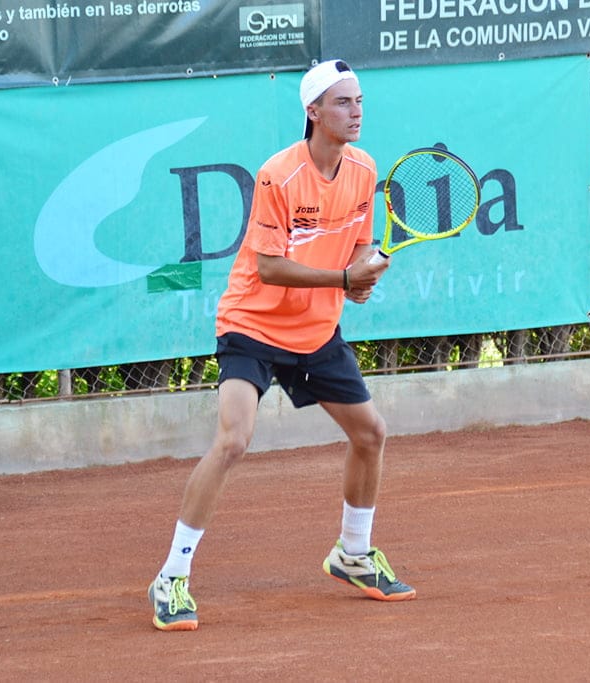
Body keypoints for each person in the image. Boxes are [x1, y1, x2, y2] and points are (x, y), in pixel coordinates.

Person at [148, 59, 416, 631]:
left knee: (370, 434)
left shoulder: (365, 170)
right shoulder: (279, 175)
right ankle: (171, 577)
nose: (357, 111)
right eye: (344, 103)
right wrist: (345, 281)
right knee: (233, 440)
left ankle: (354, 554)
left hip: (316, 331)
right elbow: (269, 267)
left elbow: (359, 247)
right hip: (253, 324)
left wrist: (361, 271)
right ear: (313, 112)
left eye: (360, 101)